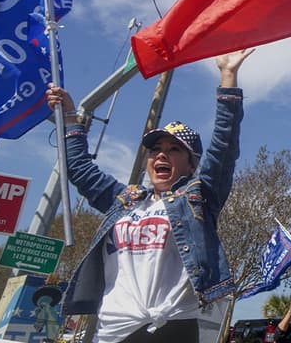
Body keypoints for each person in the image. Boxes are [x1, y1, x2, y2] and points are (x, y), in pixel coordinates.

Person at [49, 49, 253, 343]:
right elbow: (79, 169)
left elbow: (224, 146)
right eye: (155, 150)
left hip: (173, 328)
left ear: (192, 165)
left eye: (174, 149)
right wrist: (70, 117)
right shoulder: (124, 200)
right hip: (112, 332)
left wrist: (228, 77)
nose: (161, 155)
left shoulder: (199, 198)